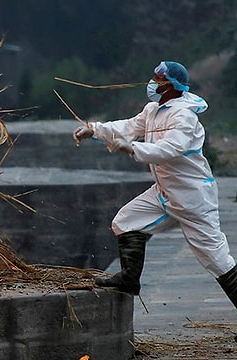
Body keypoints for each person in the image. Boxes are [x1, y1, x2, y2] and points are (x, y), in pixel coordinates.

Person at [72, 61, 237, 308]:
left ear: (171, 86)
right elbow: (127, 126)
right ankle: (129, 280)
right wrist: (93, 130)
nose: (151, 83)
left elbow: (170, 149)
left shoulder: (184, 116)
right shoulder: (153, 110)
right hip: (164, 192)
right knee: (125, 222)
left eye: (157, 79)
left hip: (192, 198)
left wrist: (132, 147)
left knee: (217, 260)